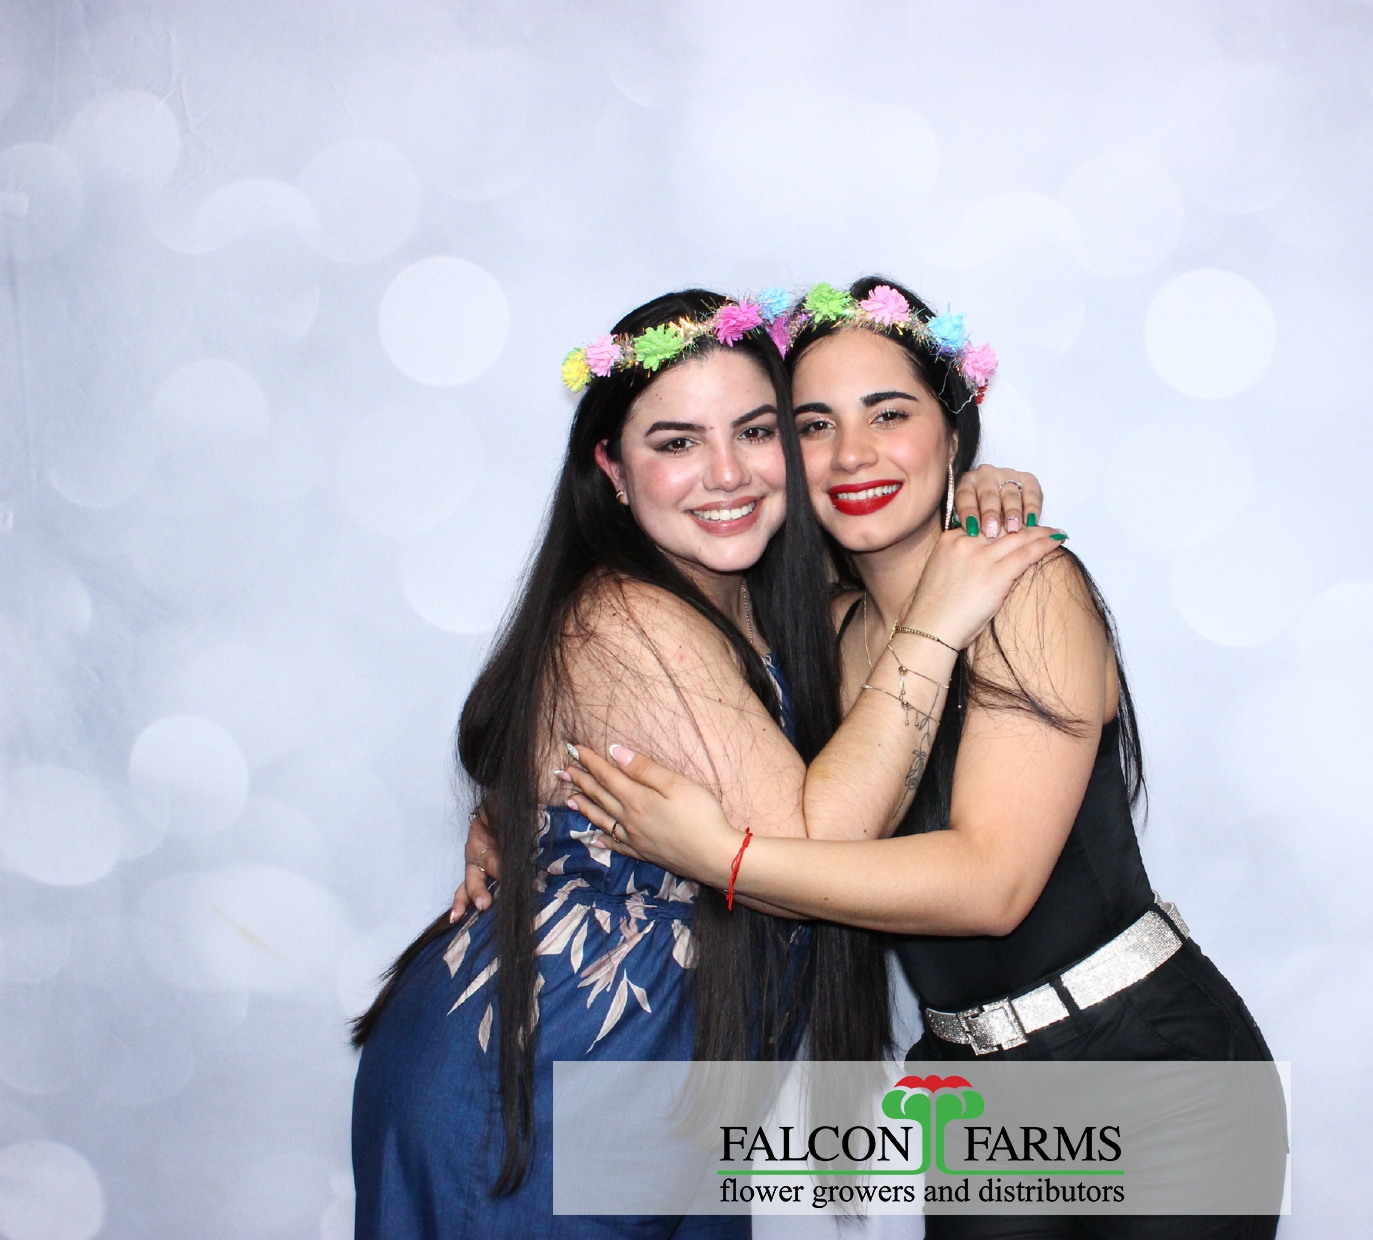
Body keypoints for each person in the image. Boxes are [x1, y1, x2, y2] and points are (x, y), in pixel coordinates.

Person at [541, 278, 1286, 1239]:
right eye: (812, 425)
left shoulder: (1028, 586)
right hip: (968, 1089)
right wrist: (515, 821)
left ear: (952, 428)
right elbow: (650, 712)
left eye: (889, 414)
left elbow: (992, 885)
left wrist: (723, 857)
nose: (852, 453)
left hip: (1150, 1068)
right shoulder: (809, 638)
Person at [348, 286, 1062, 1239]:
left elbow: (878, 541)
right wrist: (940, 617)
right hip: (542, 1082)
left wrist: (970, 485)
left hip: (684, 1084)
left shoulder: (758, 594)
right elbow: (816, 845)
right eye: (677, 442)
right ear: (611, 467)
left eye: (756, 431)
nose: (726, 474)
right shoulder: (627, 612)